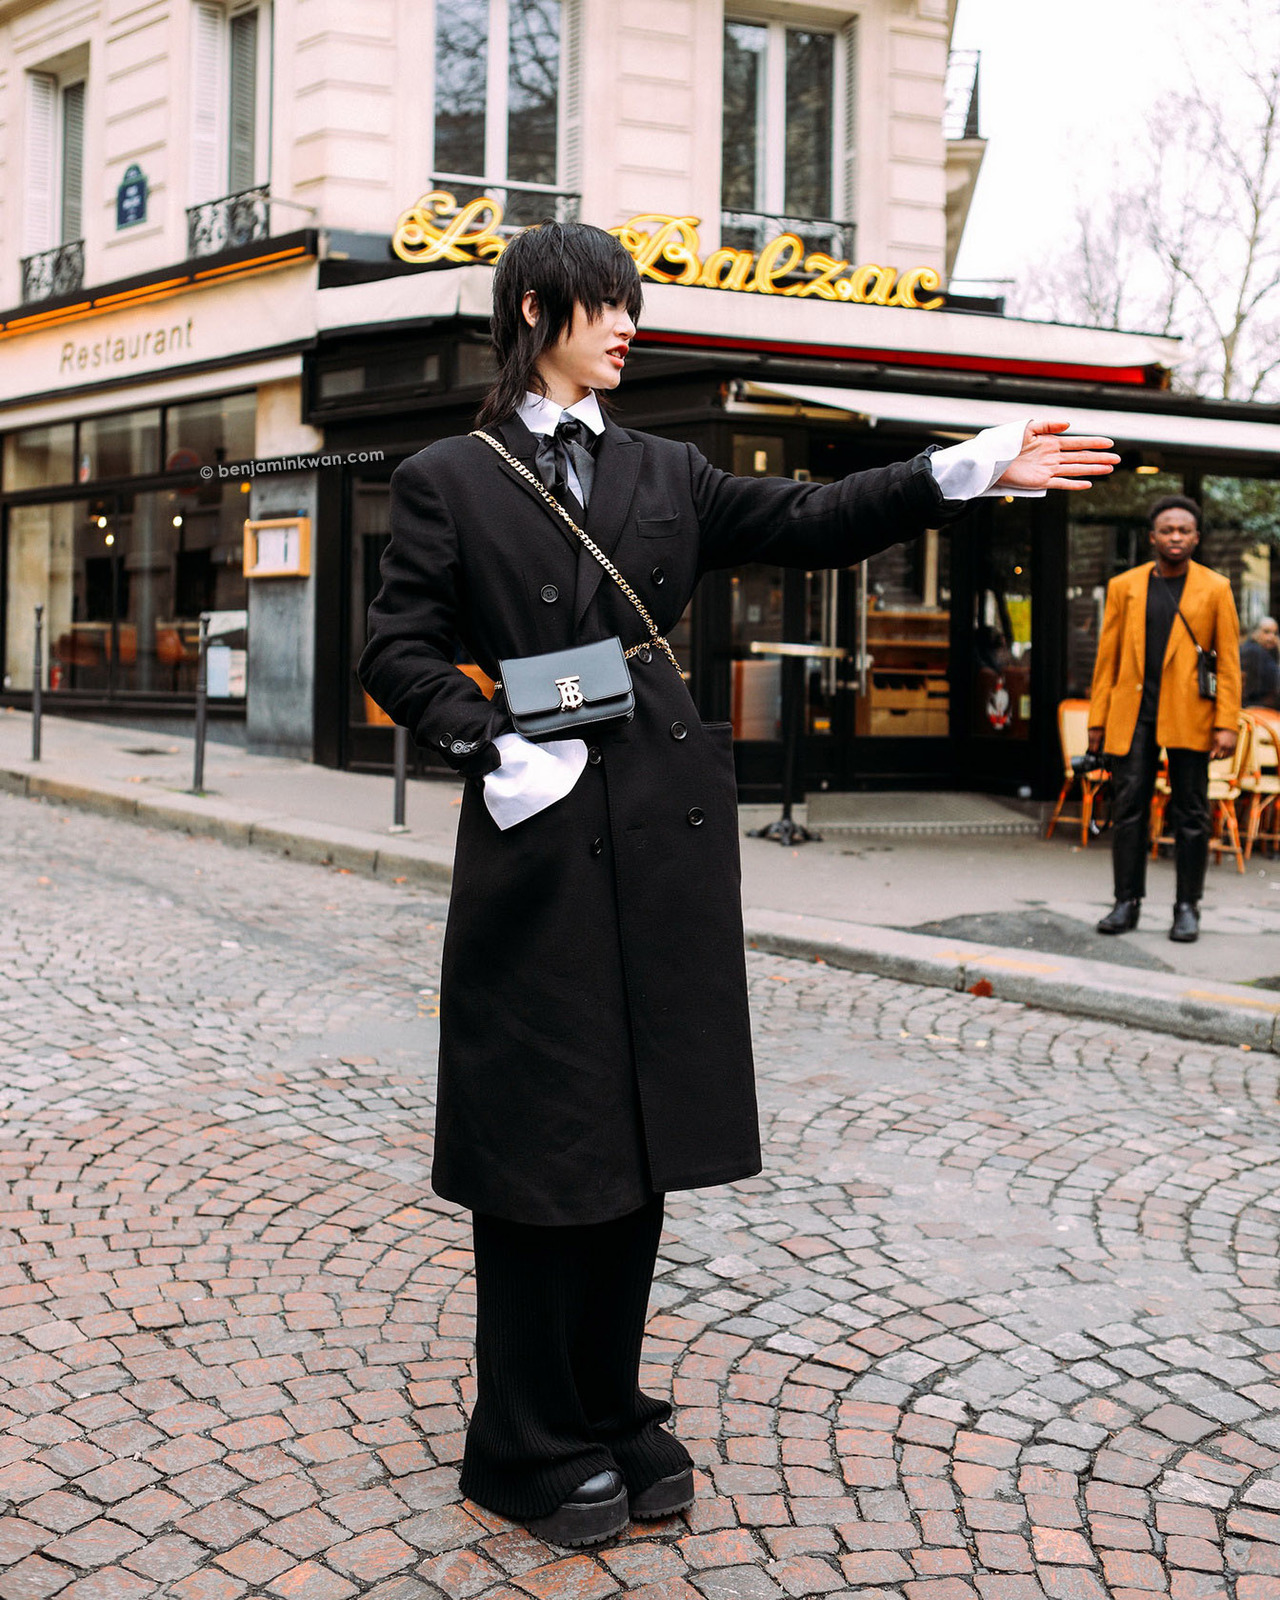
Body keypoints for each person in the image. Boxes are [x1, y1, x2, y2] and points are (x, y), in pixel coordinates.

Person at [358, 221, 1118, 1549]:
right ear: (540, 306)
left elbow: (815, 522)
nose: (630, 326)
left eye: (634, 308)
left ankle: (602, 1401)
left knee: (637, 1140)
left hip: (660, 844)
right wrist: (491, 741)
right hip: (539, 851)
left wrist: (962, 468)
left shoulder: (665, 470)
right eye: (609, 306)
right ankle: (521, 1437)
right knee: (549, 1143)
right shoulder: (448, 479)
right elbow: (397, 650)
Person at [1088, 495, 1241, 943]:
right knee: (1129, 808)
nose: (1175, 537)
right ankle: (1126, 902)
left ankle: (1187, 907)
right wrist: (1097, 720)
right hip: (1132, 715)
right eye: (1167, 530)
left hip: (1191, 715)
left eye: (1184, 530)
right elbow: (1107, 660)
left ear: (1196, 538)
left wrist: (1227, 722)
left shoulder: (1215, 588)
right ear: (1152, 537)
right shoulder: (1125, 586)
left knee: (1191, 812)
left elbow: (1228, 663)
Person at [1241, 616, 1280, 708]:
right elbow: (1277, 681)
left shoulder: (1261, 651)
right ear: (1254, 633)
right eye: (1266, 632)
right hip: (1253, 708)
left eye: (1275, 633)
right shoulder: (1254, 651)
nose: (1271, 637)